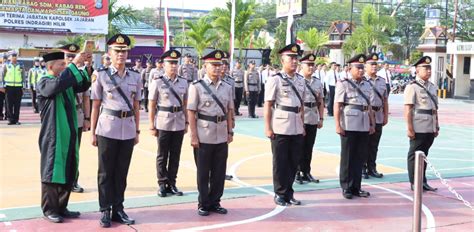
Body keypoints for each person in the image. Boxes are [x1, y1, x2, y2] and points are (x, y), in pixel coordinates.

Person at [90, 34, 142, 227]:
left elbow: (136, 105)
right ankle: (105, 209)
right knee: (105, 172)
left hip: (127, 129)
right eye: (117, 51)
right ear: (109, 53)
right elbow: (96, 105)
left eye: (124, 51)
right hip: (106, 128)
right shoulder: (101, 74)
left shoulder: (135, 76)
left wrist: (137, 130)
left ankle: (118, 209)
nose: (121, 54)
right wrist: (93, 131)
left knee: (121, 172)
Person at [37, 50, 91, 223]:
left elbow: (82, 85)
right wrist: (74, 64)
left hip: (69, 133)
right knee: (52, 171)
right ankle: (49, 210)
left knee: (68, 168)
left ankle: (61, 206)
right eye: (61, 64)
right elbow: (56, 86)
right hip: (53, 135)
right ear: (51, 66)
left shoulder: (64, 81)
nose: (64, 66)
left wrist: (85, 65)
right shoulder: (44, 82)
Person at [187, 50, 234, 216]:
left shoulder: (227, 87)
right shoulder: (196, 87)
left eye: (219, 65)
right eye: (213, 65)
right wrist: (193, 135)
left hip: (221, 133)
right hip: (203, 134)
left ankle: (215, 201)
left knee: (219, 171)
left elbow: (229, 111)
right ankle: (203, 203)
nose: (217, 68)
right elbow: (191, 112)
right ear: (205, 66)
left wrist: (230, 131)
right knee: (203, 171)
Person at [264, 43, 305, 206]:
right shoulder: (275, 79)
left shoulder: (301, 80)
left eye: (296, 58)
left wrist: (302, 125)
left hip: (296, 125)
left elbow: (300, 105)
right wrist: (267, 127)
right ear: (282, 60)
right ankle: (280, 193)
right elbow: (268, 104)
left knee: (293, 162)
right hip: (280, 126)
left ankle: (289, 192)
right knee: (280, 162)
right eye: (291, 58)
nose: (294, 61)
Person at [334, 54, 375, 199]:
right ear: (350, 68)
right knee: (348, 157)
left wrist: (372, 123)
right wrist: (338, 125)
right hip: (349, 124)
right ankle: (346, 187)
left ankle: (356, 186)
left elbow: (368, 106)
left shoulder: (367, 84)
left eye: (362, 68)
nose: (361, 70)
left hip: (363, 124)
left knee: (360, 157)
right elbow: (337, 105)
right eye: (358, 67)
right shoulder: (343, 83)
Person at [148, 50, 188, 198]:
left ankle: (172, 183)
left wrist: (187, 122)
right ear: (163, 65)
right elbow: (151, 104)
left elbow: (185, 104)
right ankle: (162, 184)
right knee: (162, 155)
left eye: (175, 63)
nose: (173, 66)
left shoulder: (183, 82)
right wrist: (151, 125)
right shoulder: (157, 81)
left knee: (175, 154)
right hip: (163, 122)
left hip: (179, 121)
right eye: (170, 63)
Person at [404, 56, 439, 192]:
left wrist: (436, 125)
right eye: (425, 68)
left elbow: (434, 109)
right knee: (414, 155)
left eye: (429, 68)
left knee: (424, 155)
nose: (428, 71)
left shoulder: (432, 87)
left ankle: (422, 181)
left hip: (429, 126)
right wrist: (410, 128)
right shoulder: (412, 87)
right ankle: (414, 182)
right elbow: (408, 109)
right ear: (417, 70)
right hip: (418, 126)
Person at [58, 43, 89, 193]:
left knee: (75, 151)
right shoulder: (59, 73)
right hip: (62, 117)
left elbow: (85, 93)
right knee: (63, 151)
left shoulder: (78, 72)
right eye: (68, 56)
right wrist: (75, 65)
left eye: (73, 56)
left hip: (77, 115)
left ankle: (73, 180)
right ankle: (61, 181)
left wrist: (87, 118)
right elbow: (62, 83)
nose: (70, 59)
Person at [295, 54, 324, 184]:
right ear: (302, 66)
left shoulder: (317, 82)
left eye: (313, 65)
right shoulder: (297, 80)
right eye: (308, 65)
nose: (311, 68)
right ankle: (296, 172)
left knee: (309, 146)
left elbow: (320, 101)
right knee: (298, 146)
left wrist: (321, 117)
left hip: (312, 116)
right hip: (301, 117)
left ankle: (306, 171)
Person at [363, 53, 388, 179]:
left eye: (376, 64)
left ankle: (372, 167)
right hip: (365, 115)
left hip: (378, 115)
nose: (374, 66)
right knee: (364, 143)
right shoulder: (362, 81)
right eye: (371, 64)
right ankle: (362, 168)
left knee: (374, 144)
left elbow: (385, 100)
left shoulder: (382, 81)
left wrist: (385, 116)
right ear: (365, 66)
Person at [2, 52, 25, 125]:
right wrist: (3, 86)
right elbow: (3, 75)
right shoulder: (6, 65)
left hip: (18, 87)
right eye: (13, 56)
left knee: (17, 104)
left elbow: (23, 76)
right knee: (9, 104)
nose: (14, 57)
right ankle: (10, 119)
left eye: (15, 56)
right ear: (10, 57)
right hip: (9, 87)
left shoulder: (21, 65)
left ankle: (16, 119)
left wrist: (23, 87)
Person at [0, 53, 7, 120]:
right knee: (0, 102)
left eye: (5, 58)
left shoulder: (9, 66)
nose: (4, 59)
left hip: (8, 87)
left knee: (8, 103)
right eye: (3, 58)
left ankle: (7, 115)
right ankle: (0, 115)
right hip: (0, 88)